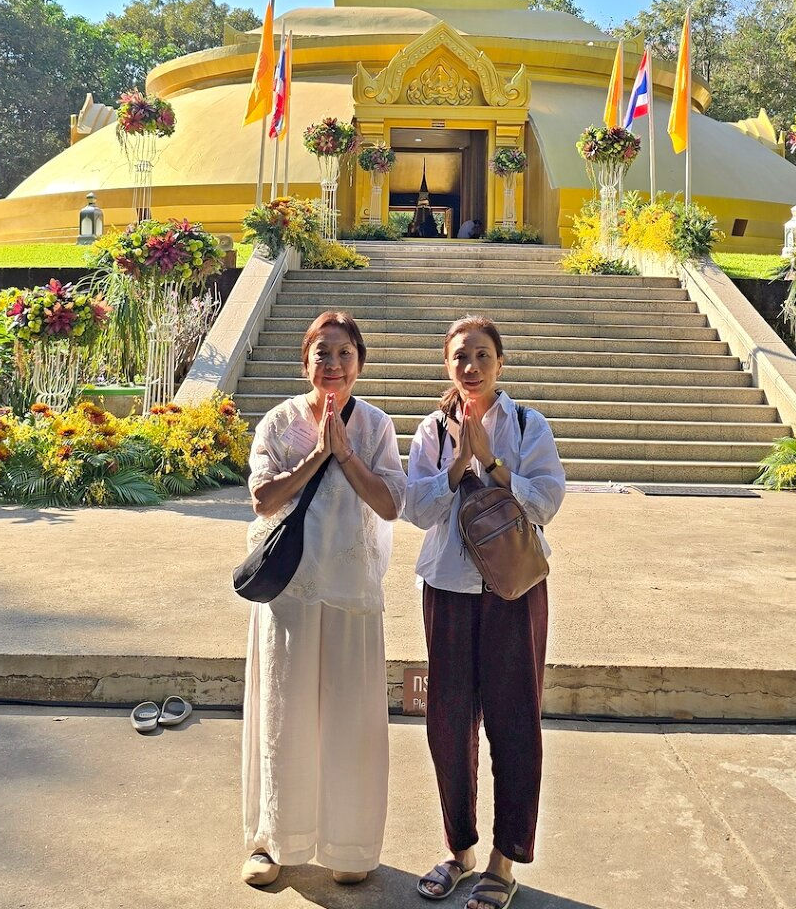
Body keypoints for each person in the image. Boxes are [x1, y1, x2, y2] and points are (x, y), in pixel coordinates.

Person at [241, 310, 407, 888]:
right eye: (322, 353)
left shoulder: (377, 426)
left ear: (359, 363)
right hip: (290, 592)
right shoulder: (279, 422)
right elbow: (263, 498)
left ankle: (349, 845)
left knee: (350, 722)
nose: (332, 365)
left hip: (352, 591)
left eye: (344, 354)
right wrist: (316, 456)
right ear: (304, 360)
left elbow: (391, 504)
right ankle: (273, 841)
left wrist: (347, 455)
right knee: (283, 718)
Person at [405, 315, 566, 909]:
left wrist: (493, 463)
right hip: (447, 585)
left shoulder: (527, 424)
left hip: (514, 590)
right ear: (447, 365)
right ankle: (460, 848)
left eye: (481, 356)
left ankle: (505, 860)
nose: (470, 367)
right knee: (448, 723)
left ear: (500, 363)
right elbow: (415, 509)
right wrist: (455, 464)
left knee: (514, 720)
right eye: (459, 357)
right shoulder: (431, 429)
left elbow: (548, 499)